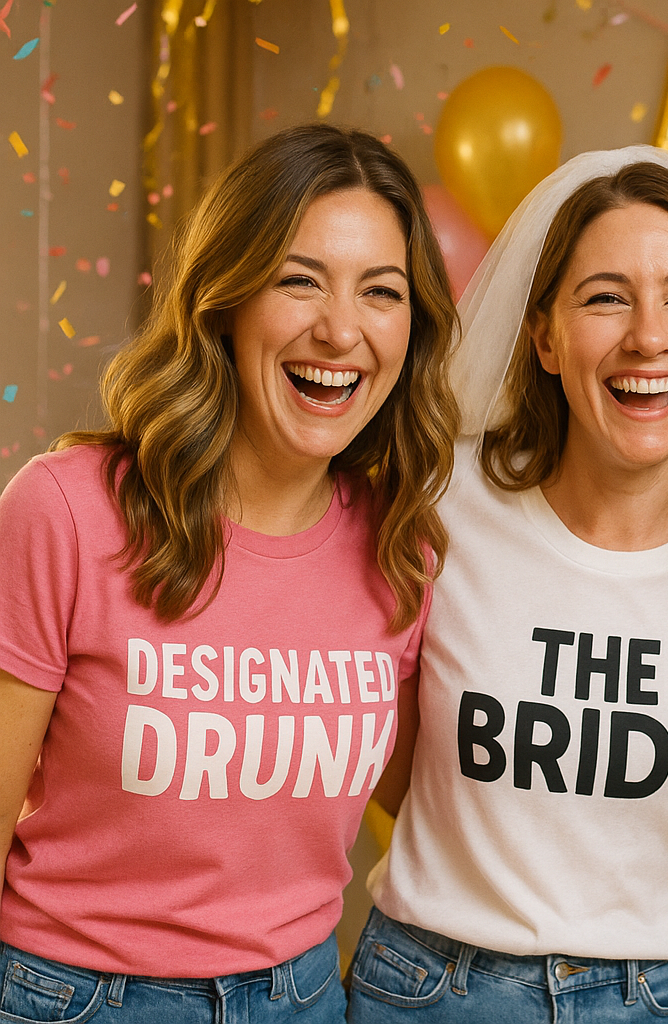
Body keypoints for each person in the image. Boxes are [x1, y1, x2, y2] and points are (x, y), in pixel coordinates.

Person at [0, 123, 459, 1023]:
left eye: (381, 291)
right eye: (299, 280)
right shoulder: (64, 510)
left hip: (305, 996)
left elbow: (441, 805)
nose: (341, 329)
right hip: (76, 998)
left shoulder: (402, 548)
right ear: (226, 300)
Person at [347, 146, 668, 1024]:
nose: (648, 336)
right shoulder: (439, 502)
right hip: (429, 991)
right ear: (545, 338)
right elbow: (392, 758)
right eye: (605, 298)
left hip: (659, 998)